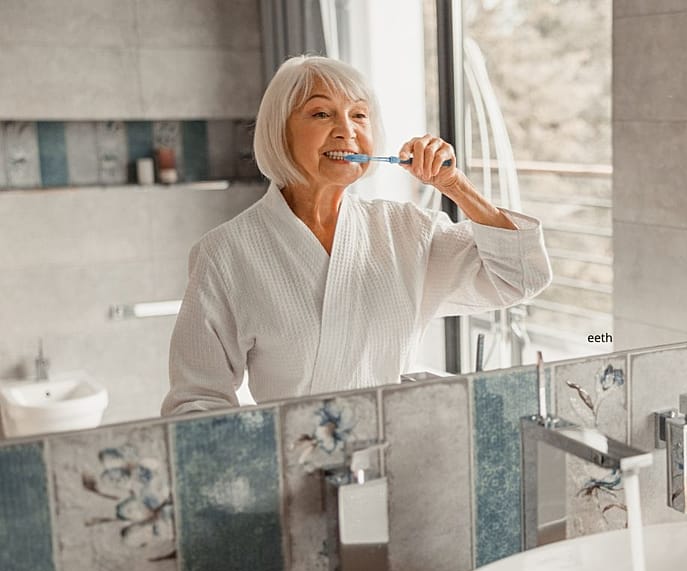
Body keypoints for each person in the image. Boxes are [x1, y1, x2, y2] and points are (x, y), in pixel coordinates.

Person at [161, 56, 551, 416]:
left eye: (359, 115)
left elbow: (519, 277)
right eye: (321, 113)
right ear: (280, 132)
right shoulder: (226, 253)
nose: (346, 131)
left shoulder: (405, 230)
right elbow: (198, 399)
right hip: (295, 464)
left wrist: (457, 186)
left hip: (398, 450)